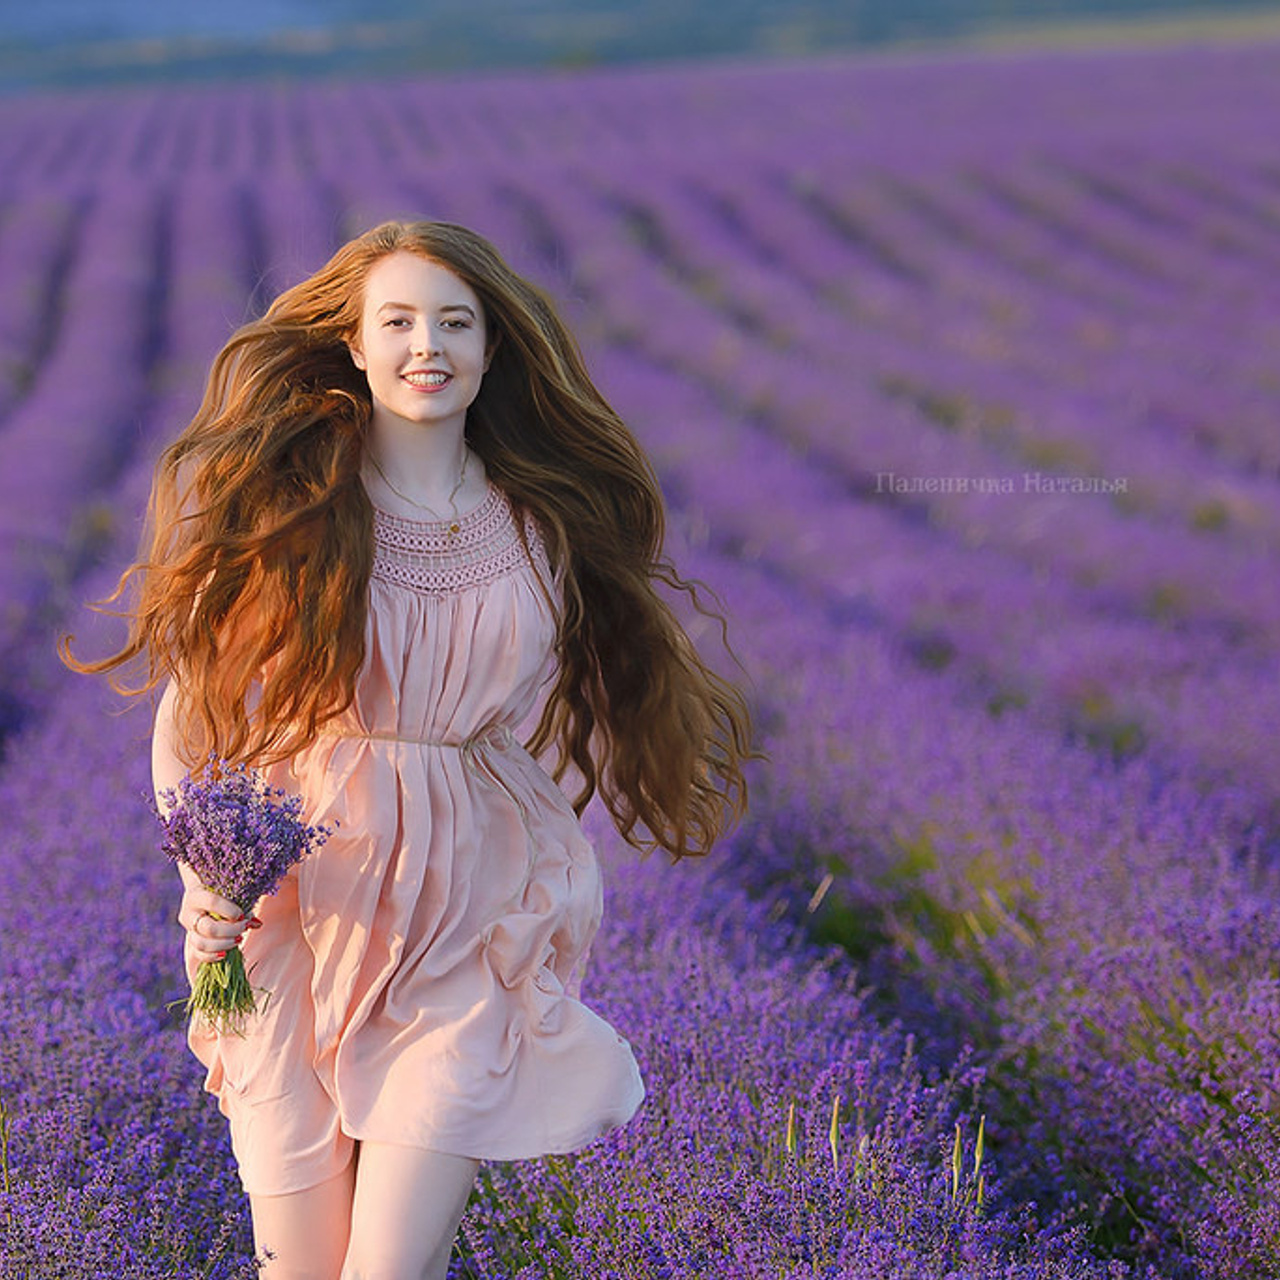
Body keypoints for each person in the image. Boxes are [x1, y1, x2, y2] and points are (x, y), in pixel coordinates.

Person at [64, 219, 753, 1279]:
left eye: (453, 321)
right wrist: (202, 868)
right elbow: (189, 712)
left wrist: (533, 839)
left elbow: (545, 713)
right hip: (295, 908)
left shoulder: (538, 526)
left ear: (489, 349)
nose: (425, 344)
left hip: (465, 922)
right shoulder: (297, 512)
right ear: (350, 341)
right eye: (397, 320)